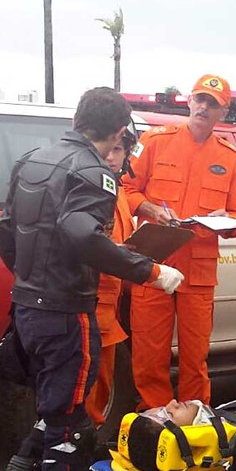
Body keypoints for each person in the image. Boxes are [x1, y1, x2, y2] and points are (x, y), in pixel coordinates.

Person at [0, 88, 184, 471]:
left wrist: (30, 280)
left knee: (54, 414)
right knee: (68, 426)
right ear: (117, 133)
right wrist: (149, 270)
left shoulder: (33, 160)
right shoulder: (93, 173)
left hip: (29, 306)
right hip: (66, 313)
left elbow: (8, 230)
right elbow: (81, 235)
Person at [123, 74, 236, 408]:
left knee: (196, 357)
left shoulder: (229, 157)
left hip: (199, 269)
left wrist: (223, 221)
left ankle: (193, 422)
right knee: (149, 352)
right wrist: (151, 208)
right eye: (200, 100)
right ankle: (154, 417)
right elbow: (126, 188)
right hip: (154, 262)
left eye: (213, 105)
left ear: (223, 113)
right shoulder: (154, 141)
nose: (204, 108)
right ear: (190, 101)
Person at [85, 126, 140, 428]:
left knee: (102, 388)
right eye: (109, 147)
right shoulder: (89, 187)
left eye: (119, 150)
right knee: (87, 389)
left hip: (110, 307)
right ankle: (76, 457)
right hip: (90, 305)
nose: (111, 155)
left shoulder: (116, 191)